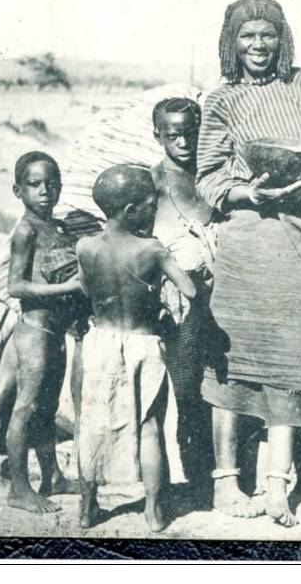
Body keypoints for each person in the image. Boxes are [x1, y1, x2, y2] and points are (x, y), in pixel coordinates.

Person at [195, 0, 301, 527]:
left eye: (267, 35)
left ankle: (278, 484)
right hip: (254, 240)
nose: (259, 46)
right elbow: (209, 178)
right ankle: (227, 482)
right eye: (248, 36)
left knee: (294, 362)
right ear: (232, 42)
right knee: (237, 360)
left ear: (282, 38)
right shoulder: (221, 100)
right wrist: (251, 195)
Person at [74, 165, 196, 532]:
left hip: (100, 343)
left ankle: (86, 508)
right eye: (150, 205)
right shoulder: (152, 250)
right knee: (150, 427)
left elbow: (84, 291)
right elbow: (189, 290)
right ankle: (154, 511)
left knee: (91, 425)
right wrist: (158, 295)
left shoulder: (85, 247)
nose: (154, 210)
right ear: (131, 211)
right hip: (143, 344)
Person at [4, 151, 82, 513]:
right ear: (18, 190)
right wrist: (66, 290)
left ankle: (51, 476)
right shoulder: (25, 231)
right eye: (35, 185)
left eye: (51, 183)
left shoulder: (57, 227)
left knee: (48, 408)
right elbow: (16, 287)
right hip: (35, 330)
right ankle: (19, 488)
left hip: (56, 332)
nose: (44, 191)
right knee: (26, 407)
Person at [149, 97, 219, 492]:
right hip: (181, 297)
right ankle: (195, 474)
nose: (183, 143)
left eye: (190, 134)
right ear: (157, 134)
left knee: (223, 381)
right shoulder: (154, 181)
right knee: (188, 385)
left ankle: (224, 467)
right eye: (173, 135)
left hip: (220, 288)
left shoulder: (210, 174)